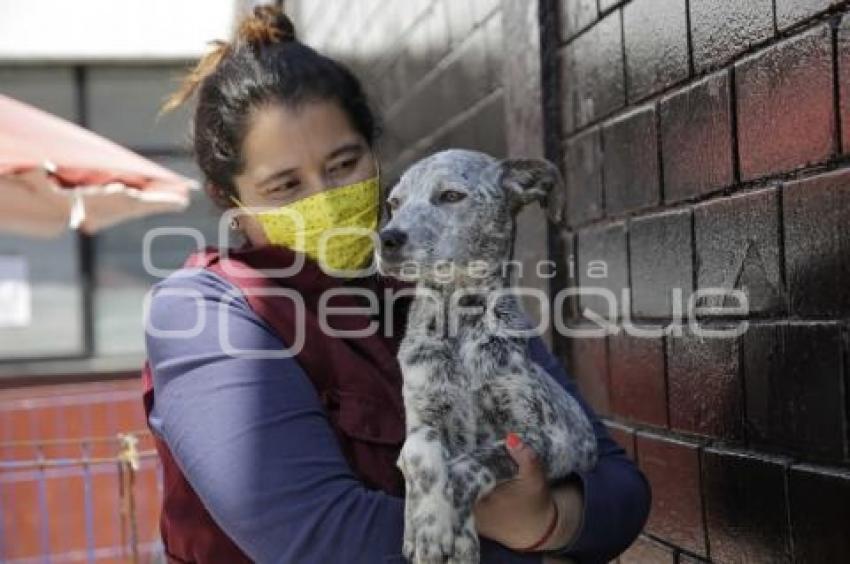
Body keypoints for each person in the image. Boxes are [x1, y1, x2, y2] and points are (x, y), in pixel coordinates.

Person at [144, 6, 650, 563]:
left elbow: (618, 488)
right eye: (286, 185)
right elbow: (319, 539)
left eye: (344, 163)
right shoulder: (207, 312)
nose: (326, 196)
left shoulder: (441, 284)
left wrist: (544, 520)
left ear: (374, 153)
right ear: (231, 203)